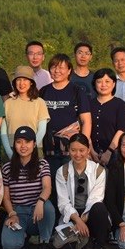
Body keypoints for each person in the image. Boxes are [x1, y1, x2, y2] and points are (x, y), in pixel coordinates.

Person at [0, 126, 55, 249]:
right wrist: (12, 214)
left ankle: (44, 243)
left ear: (34, 144)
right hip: (18, 212)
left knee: (48, 207)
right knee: (9, 246)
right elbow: (6, 198)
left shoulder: (42, 164)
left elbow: (47, 187)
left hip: (38, 211)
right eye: (19, 142)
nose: (23, 146)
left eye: (27, 142)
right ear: (14, 145)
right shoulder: (7, 168)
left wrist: (40, 202)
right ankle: (23, 236)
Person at [54, 134, 111, 249]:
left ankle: (98, 246)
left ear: (88, 150)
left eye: (81, 150)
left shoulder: (98, 170)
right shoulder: (62, 171)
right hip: (72, 215)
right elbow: (63, 202)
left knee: (99, 208)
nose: (77, 154)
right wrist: (77, 221)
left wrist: (82, 221)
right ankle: (84, 239)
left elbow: (96, 199)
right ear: (68, 150)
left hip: (90, 214)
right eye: (73, 150)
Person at [40, 53, 93, 181]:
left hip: (71, 151)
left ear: (69, 70)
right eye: (53, 67)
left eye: (61, 67)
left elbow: (86, 121)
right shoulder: (43, 91)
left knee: (71, 183)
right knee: (52, 184)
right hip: (49, 149)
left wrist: (82, 146)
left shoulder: (77, 91)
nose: (57, 71)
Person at [2, 66, 48, 157]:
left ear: (31, 82)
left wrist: (30, 148)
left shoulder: (39, 102)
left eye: (25, 80)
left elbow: (42, 130)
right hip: (12, 149)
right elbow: (3, 131)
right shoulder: (8, 103)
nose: (21, 83)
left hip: (34, 149)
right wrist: (9, 152)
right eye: (18, 80)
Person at [90, 68, 125, 166]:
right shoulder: (89, 103)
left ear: (114, 84)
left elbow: (121, 130)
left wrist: (109, 152)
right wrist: (91, 151)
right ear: (94, 84)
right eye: (99, 81)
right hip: (90, 153)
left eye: (107, 81)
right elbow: (84, 128)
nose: (103, 85)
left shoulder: (120, 104)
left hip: (114, 153)